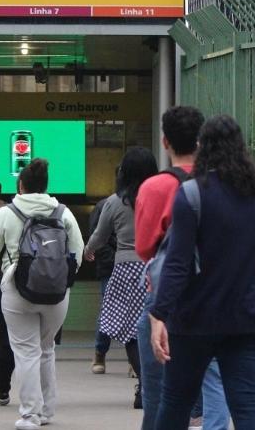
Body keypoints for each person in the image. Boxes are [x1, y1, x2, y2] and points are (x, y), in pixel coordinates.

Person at [150, 114, 255, 430]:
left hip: (194, 319)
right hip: (248, 317)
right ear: (241, 147)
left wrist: (160, 314)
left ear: (201, 147)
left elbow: (178, 264)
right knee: (248, 402)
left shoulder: (192, 194)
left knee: (176, 403)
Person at [135, 106, 227, 430]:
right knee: (215, 378)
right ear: (201, 141)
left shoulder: (154, 187)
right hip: (214, 293)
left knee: (159, 390)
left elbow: (145, 247)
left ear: (165, 142)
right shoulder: (220, 183)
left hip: (164, 298)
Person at [0, 159, 84, 430]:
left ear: (21, 186)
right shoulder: (63, 212)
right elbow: (78, 251)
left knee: (26, 352)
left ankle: (29, 415)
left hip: (17, 289)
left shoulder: (6, 213)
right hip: (57, 294)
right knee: (47, 349)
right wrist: (61, 277)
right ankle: (47, 411)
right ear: (45, 186)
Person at [85, 147, 159, 409]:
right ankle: (156, 384)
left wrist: (88, 250)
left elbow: (100, 236)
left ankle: (144, 386)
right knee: (158, 327)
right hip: (157, 267)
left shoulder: (115, 202)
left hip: (126, 270)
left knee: (130, 332)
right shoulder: (161, 196)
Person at [87, 195, 117, 375]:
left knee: (137, 313)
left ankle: (134, 358)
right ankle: (100, 352)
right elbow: (97, 235)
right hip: (111, 265)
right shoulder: (105, 205)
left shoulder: (142, 200)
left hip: (135, 261)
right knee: (108, 310)